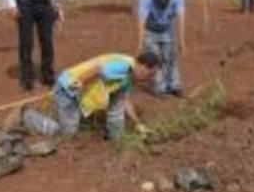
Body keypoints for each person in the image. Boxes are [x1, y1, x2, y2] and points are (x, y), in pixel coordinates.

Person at [19, 52, 162, 141]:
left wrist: (138, 124)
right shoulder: (123, 65)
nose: (148, 79)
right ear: (141, 65)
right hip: (69, 88)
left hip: (78, 92)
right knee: (66, 134)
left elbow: (123, 102)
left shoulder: (129, 78)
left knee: (117, 101)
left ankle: (116, 136)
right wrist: (74, 87)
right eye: (149, 74)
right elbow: (97, 70)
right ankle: (27, 116)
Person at [138, 0, 186, 97]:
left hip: (167, 30)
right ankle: (159, 88)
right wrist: (140, 43)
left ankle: (174, 86)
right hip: (150, 30)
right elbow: (141, 22)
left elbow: (181, 19)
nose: (163, 2)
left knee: (170, 57)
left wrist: (182, 42)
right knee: (155, 59)